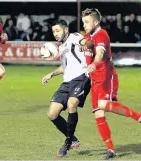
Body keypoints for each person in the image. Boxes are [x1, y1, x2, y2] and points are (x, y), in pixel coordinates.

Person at [81, 8, 141, 160]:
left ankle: (139, 116)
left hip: (107, 77)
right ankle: (111, 150)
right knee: (99, 114)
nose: (85, 25)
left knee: (102, 104)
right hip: (94, 79)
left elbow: (100, 53)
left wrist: (94, 63)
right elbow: (87, 43)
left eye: (87, 22)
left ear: (96, 22)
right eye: (84, 22)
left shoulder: (102, 34)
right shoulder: (88, 35)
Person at [41, 20, 91, 158]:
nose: (55, 34)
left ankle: (68, 142)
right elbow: (64, 67)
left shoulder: (74, 37)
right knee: (52, 114)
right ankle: (74, 139)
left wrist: (86, 45)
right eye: (53, 32)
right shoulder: (62, 47)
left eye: (58, 30)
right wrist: (51, 74)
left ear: (66, 29)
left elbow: (86, 43)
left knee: (71, 103)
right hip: (67, 82)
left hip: (82, 78)